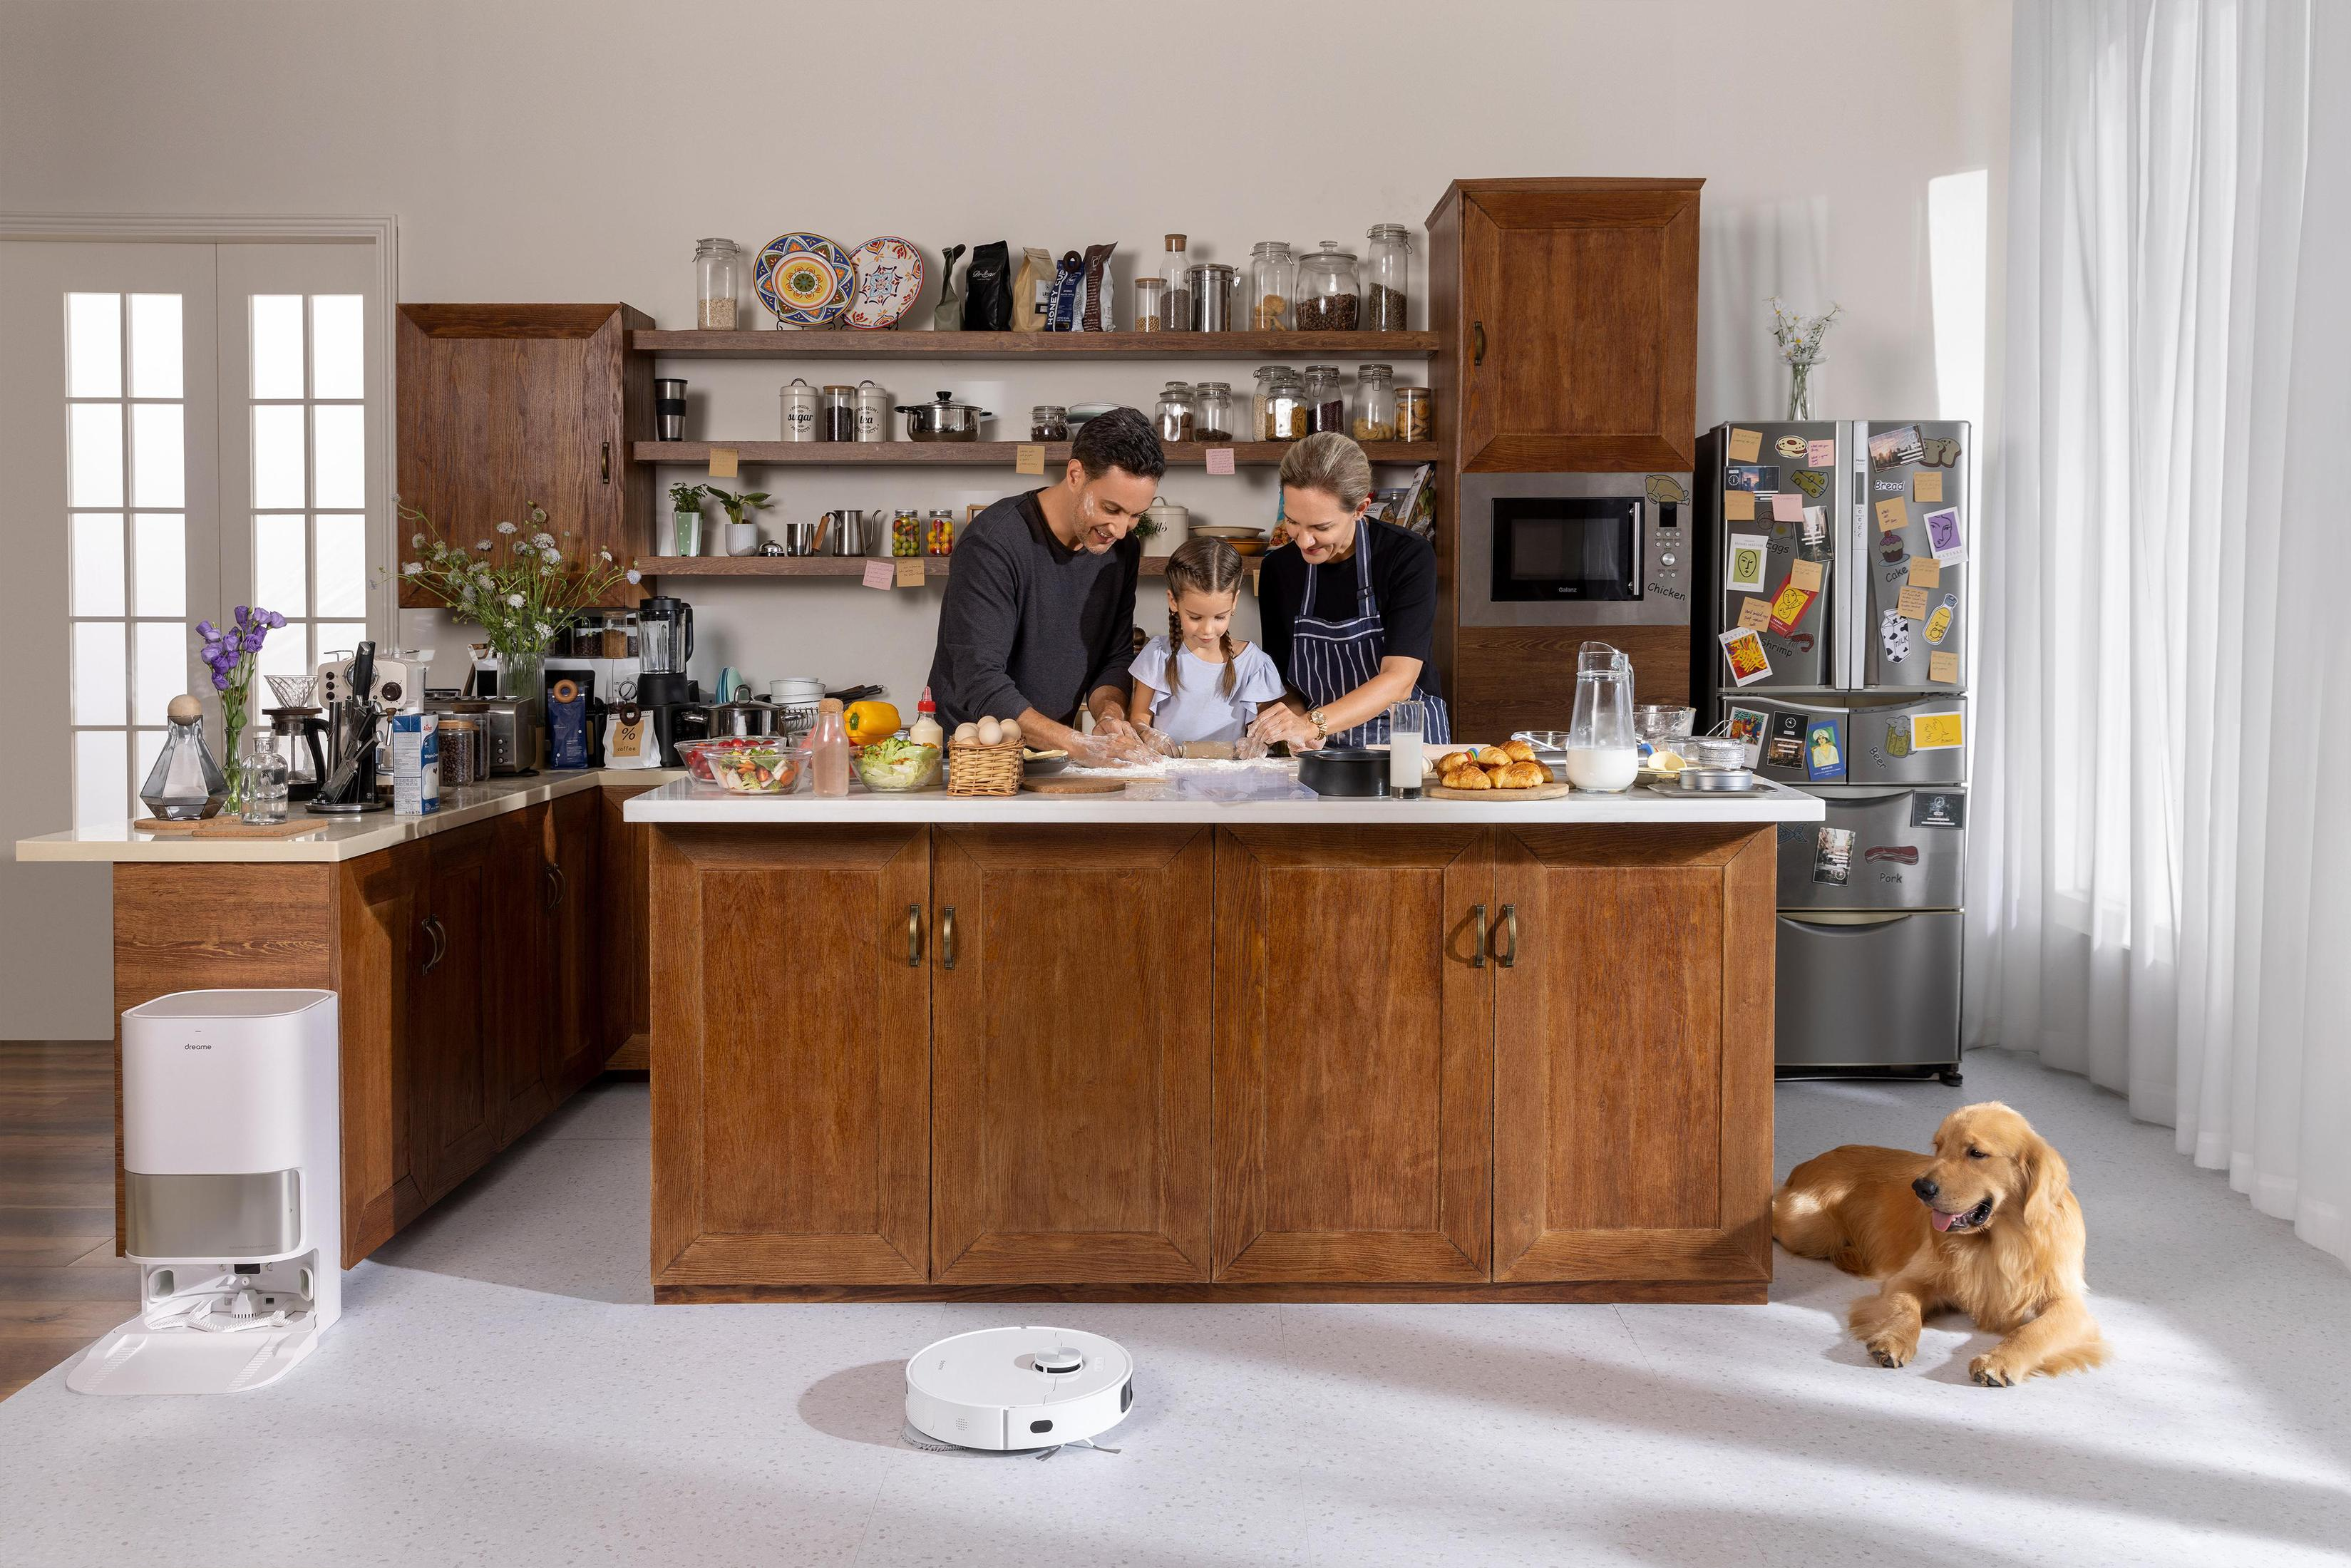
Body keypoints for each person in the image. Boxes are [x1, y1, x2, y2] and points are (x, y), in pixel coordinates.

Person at [925, 407, 1165, 767]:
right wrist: (1077, 744)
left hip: (1053, 759)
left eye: (1135, 515)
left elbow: (1114, 658)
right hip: (972, 762)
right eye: (1111, 508)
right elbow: (979, 680)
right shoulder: (993, 543)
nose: (1120, 529)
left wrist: (1109, 716)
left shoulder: (1122, 549)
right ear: (1075, 474)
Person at [1248, 432, 1451, 751]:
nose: (1304, 541)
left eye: (1321, 527)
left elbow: (1399, 679)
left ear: (1360, 508)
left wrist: (1312, 725)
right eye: (1293, 521)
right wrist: (1295, 727)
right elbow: (1284, 680)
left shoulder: (1407, 556)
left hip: (1406, 743)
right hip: (1323, 750)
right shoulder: (1279, 569)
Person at [1128, 535, 1287, 748]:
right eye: (1195, 617)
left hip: (1230, 778)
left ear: (1235, 601)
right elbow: (1138, 718)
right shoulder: (1158, 654)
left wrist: (1259, 744)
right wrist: (1147, 734)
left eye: (1220, 617)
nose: (1208, 630)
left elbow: (1265, 729)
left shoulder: (1255, 664)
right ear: (1173, 601)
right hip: (1166, 775)